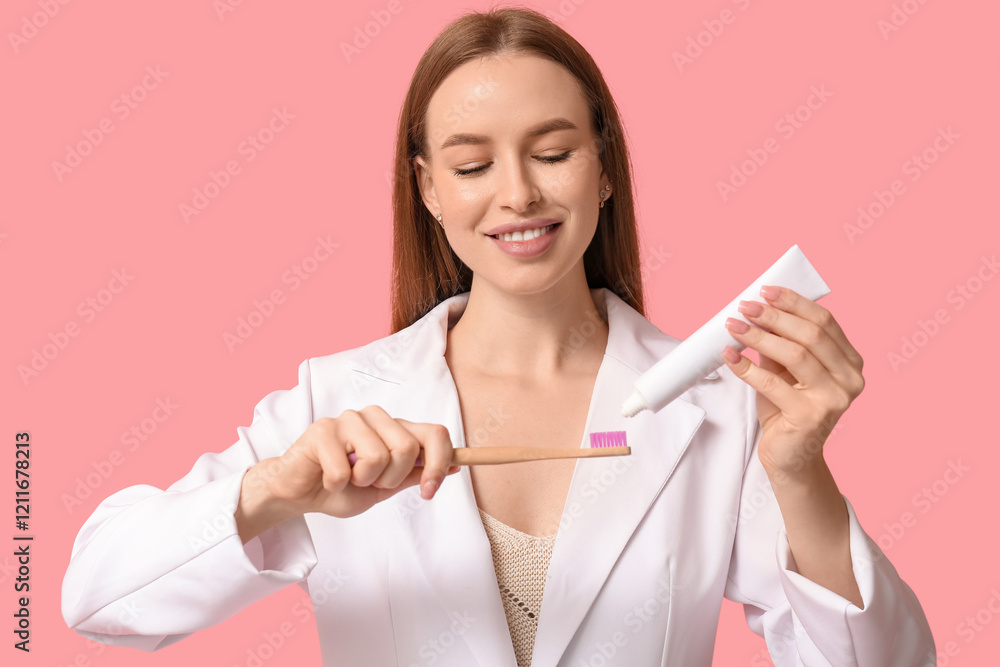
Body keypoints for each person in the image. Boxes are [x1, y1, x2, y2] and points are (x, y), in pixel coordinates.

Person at [62, 6, 936, 666]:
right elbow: (96, 594)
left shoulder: (715, 411)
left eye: (552, 152)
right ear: (430, 188)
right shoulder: (338, 404)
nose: (515, 194)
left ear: (603, 168)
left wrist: (798, 471)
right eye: (473, 166)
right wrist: (275, 492)